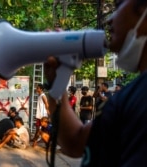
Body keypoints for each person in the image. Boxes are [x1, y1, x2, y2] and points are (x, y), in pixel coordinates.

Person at [44, 0, 147, 166]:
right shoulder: (132, 95)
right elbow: (76, 141)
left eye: (118, 6)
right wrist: (57, 84)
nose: (108, 20)